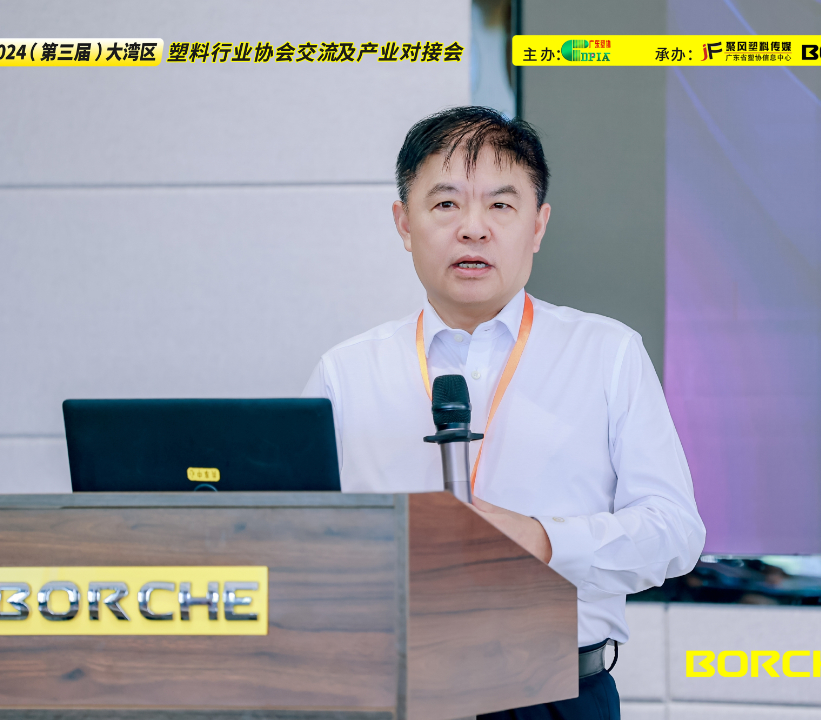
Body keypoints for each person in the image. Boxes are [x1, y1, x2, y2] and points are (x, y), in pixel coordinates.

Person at [302, 106, 705, 720]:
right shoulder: (345, 372)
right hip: (390, 693)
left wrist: (542, 539)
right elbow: (298, 544)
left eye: (500, 205)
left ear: (538, 225)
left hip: (557, 698)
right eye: (445, 204)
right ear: (404, 223)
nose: (473, 228)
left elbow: (674, 534)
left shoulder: (606, 353)